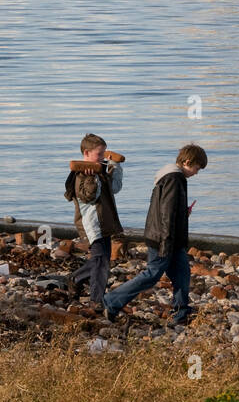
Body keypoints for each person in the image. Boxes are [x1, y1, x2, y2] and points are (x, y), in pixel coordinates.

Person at [104, 143, 207, 327]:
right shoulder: (174, 179)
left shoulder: (169, 176)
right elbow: (166, 214)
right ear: (187, 161)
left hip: (169, 238)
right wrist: (165, 243)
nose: (197, 173)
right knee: (152, 275)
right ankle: (112, 301)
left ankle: (181, 311)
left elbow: (166, 210)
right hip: (164, 238)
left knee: (182, 272)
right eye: (197, 168)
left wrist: (183, 213)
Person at [64, 133, 123, 309]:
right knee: (101, 261)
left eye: (104, 154)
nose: (103, 158)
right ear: (87, 153)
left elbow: (115, 188)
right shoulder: (81, 174)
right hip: (91, 225)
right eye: (100, 154)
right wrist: (91, 178)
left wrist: (115, 166)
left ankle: (75, 278)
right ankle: (96, 300)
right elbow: (89, 197)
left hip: (103, 222)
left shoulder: (100, 170)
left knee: (101, 259)